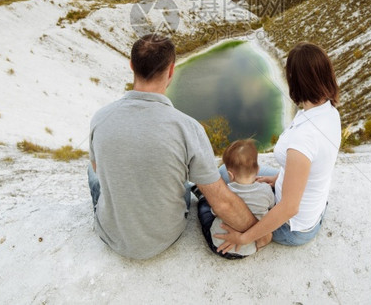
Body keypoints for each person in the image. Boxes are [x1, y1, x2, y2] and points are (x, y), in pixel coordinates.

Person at [87, 33, 263, 260]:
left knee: (92, 171)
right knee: (191, 178)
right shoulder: (187, 128)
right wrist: (259, 231)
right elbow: (221, 203)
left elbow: (99, 169)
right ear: (171, 71)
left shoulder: (100, 118)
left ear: (131, 66)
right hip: (165, 236)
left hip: (112, 235)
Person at [213, 42, 341, 253]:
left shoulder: (304, 138)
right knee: (224, 172)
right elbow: (309, 167)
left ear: (295, 81)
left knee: (226, 193)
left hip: (295, 228)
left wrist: (245, 237)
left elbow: (289, 208)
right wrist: (277, 179)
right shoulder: (328, 111)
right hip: (312, 203)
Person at [207, 139, 275, 257]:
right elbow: (271, 206)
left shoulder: (225, 192)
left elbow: (215, 212)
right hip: (250, 248)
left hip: (220, 245)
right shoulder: (266, 190)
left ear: (230, 175)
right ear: (258, 170)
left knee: (204, 208)